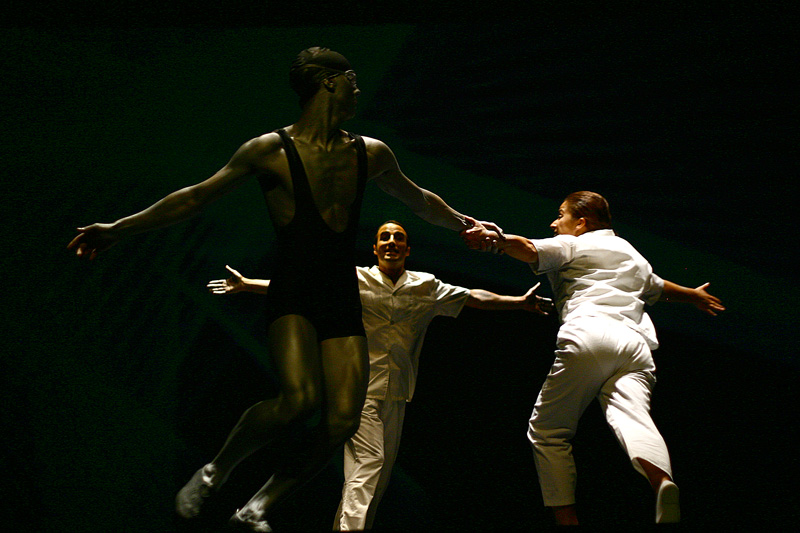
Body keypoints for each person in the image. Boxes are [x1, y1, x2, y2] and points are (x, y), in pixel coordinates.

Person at [67, 47, 502, 531]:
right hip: (295, 288)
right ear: (329, 82)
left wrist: (465, 224)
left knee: (344, 420)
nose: (358, 89)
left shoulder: (371, 152)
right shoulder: (269, 150)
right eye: (352, 80)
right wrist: (119, 228)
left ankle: (257, 507)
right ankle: (214, 472)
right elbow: (196, 196)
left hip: (339, 292)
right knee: (298, 401)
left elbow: (417, 199)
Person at [206, 220, 553, 530]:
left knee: (375, 479)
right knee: (369, 464)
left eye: (398, 237)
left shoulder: (425, 285)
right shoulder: (356, 278)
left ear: (407, 249)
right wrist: (248, 284)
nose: (391, 242)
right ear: (375, 248)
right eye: (384, 237)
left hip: (398, 393)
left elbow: (472, 297)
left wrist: (518, 303)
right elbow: (304, 289)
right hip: (358, 390)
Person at [470, 191, 725, 525]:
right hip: (636, 347)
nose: (554, 223)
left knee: (548, 431)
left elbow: (530, 248)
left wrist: (498, 240)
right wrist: (693, 295)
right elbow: (657, 286)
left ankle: (567, 521)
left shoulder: (573, 244)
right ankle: (662, 481)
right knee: (633, 417)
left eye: (560, 215)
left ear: (581, 222)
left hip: (591, 333)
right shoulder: (632, 254)